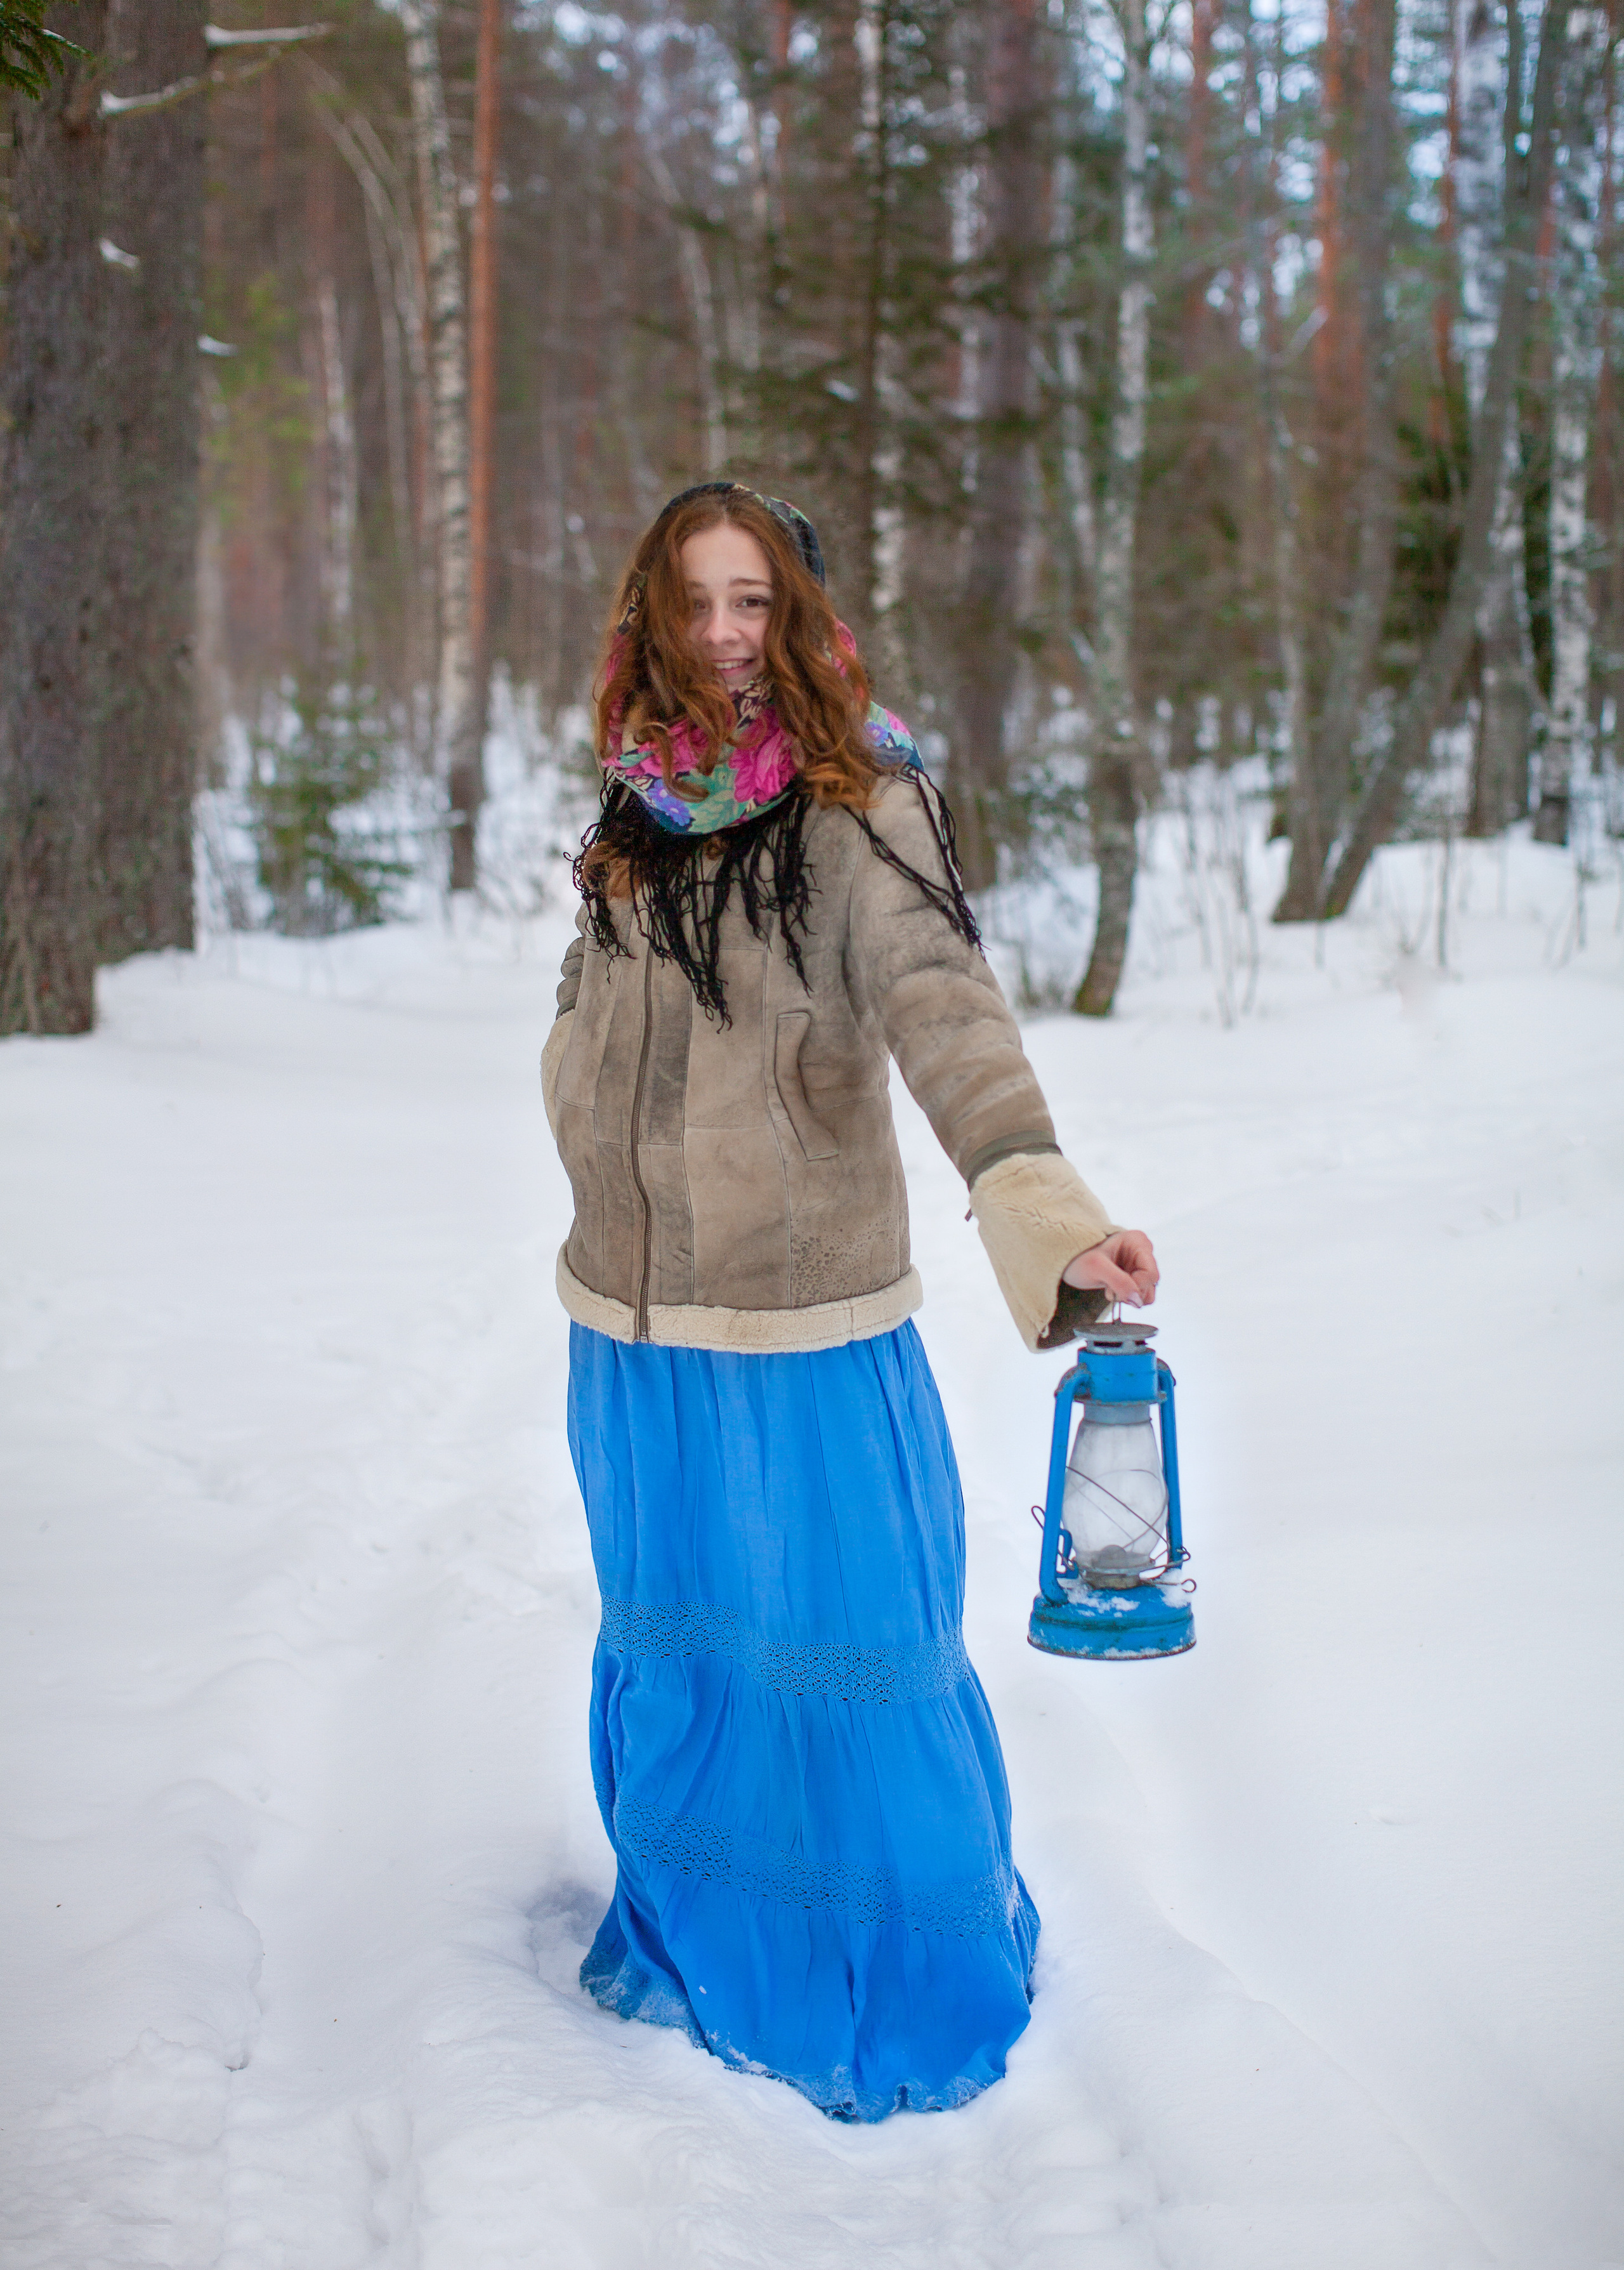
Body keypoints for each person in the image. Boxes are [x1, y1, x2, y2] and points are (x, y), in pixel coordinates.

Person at [542, 481, 1158, 2122]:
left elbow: (948, 1009)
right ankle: (700, 1937)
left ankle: (889, 1974)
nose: (730, 638)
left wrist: (1047, 1211)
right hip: (630, 1329)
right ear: (652, 615)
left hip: (803, 1329)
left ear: (804, 619)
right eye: (699, 603)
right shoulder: (634, 805)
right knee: (683, 1654)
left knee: (848, 1651)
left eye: (758, 603)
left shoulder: (856, 802)